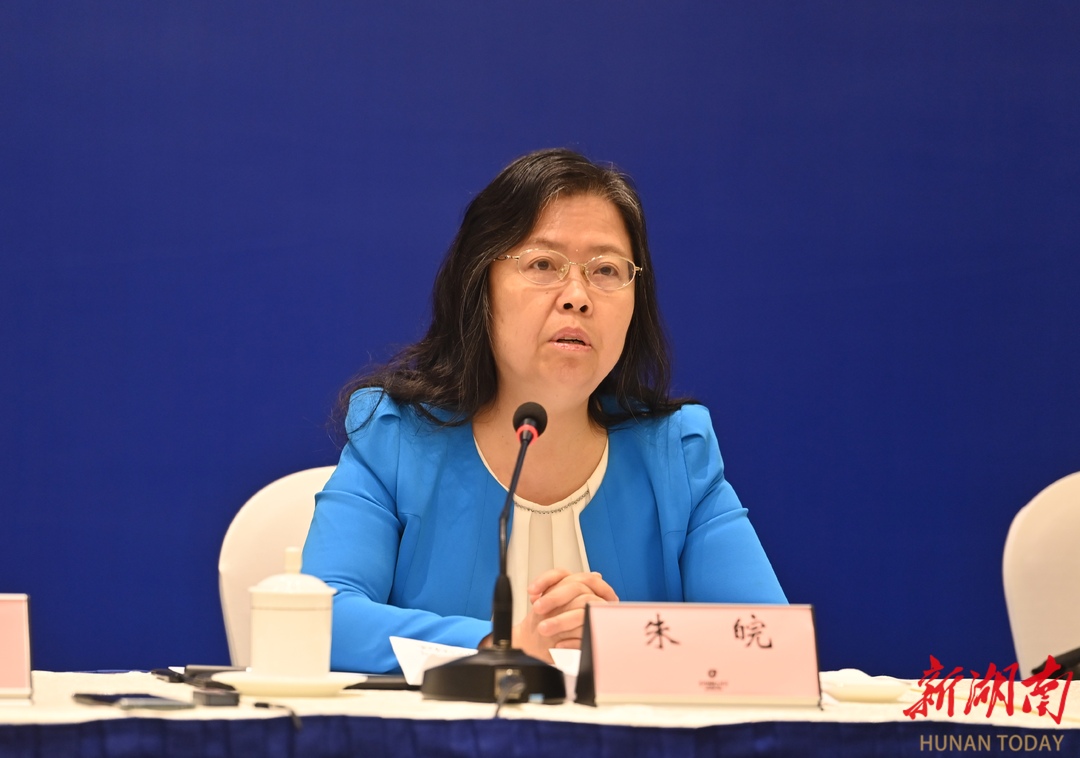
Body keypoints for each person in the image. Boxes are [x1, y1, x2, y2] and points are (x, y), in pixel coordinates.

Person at [302, 148, 786, 675]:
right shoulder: (396, 438)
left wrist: (624, 644)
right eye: (542, 265)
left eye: (606, 270)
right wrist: (502, 644)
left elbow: (770, 647)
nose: (577, 296)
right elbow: (321, 619)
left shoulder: (678, 455)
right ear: (480, 285)